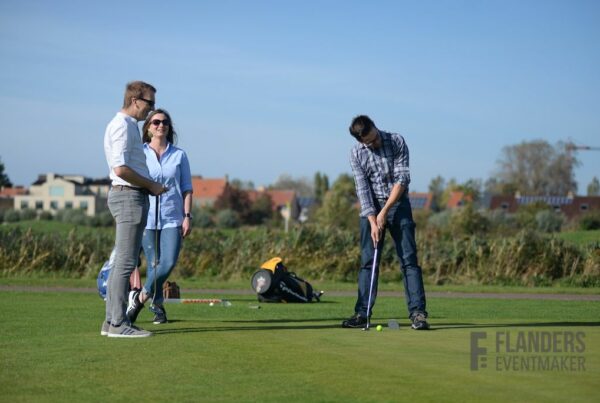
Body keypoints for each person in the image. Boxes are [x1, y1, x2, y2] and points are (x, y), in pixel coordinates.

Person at [342, 115, 429, 330]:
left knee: (409, 260)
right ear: (361, 142)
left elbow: (402, 179)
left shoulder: (396, 141)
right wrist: (373, 220)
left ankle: (418, 314)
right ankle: (362, 313)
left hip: (398, 205)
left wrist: (385, 212)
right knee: (368, 262)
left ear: (375, 127)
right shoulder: (356, 153)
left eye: (375, 137)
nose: (375, 143)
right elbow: (362, 189)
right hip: (371, 209)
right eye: (369, 142)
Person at [102, 81, 167, 338]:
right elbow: (120, 169)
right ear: (135, 101)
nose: (151, 109)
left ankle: (111, 322)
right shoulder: (122, 125)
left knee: (123, 261)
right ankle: (118, 323)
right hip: (128, 196)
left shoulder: (128, 125)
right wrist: (150, 185)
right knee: (126, 262)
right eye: (149, 103)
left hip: (131, 196)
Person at [126, 108, 193, 325]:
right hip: (147, 216)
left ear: (169, 127)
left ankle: (139, 299)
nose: (160, 125)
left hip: (172, 217)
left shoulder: (179, 155)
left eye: (164, 122)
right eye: (156, 122)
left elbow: (187, 188)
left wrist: (187, 216)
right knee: (155, 264)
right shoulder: (140, 153)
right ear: (148, 127)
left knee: (168, 262)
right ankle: (158, 306)